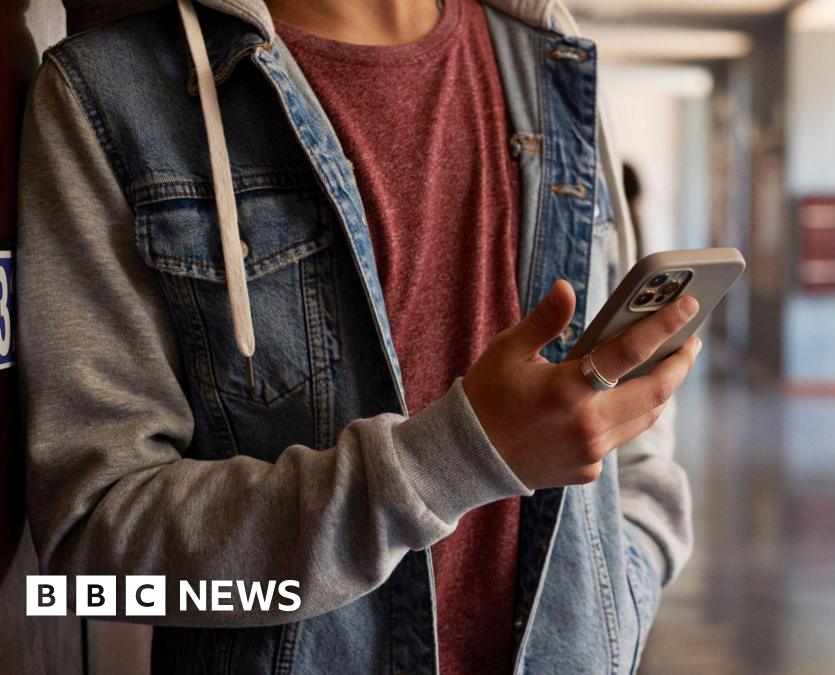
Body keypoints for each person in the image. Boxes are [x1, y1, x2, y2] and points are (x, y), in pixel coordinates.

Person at [16, 0, 696, 672]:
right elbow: (91, 550)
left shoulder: (548, 59)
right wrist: (452, 458)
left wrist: (619, 600)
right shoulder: (110, 94)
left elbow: (632, 454)